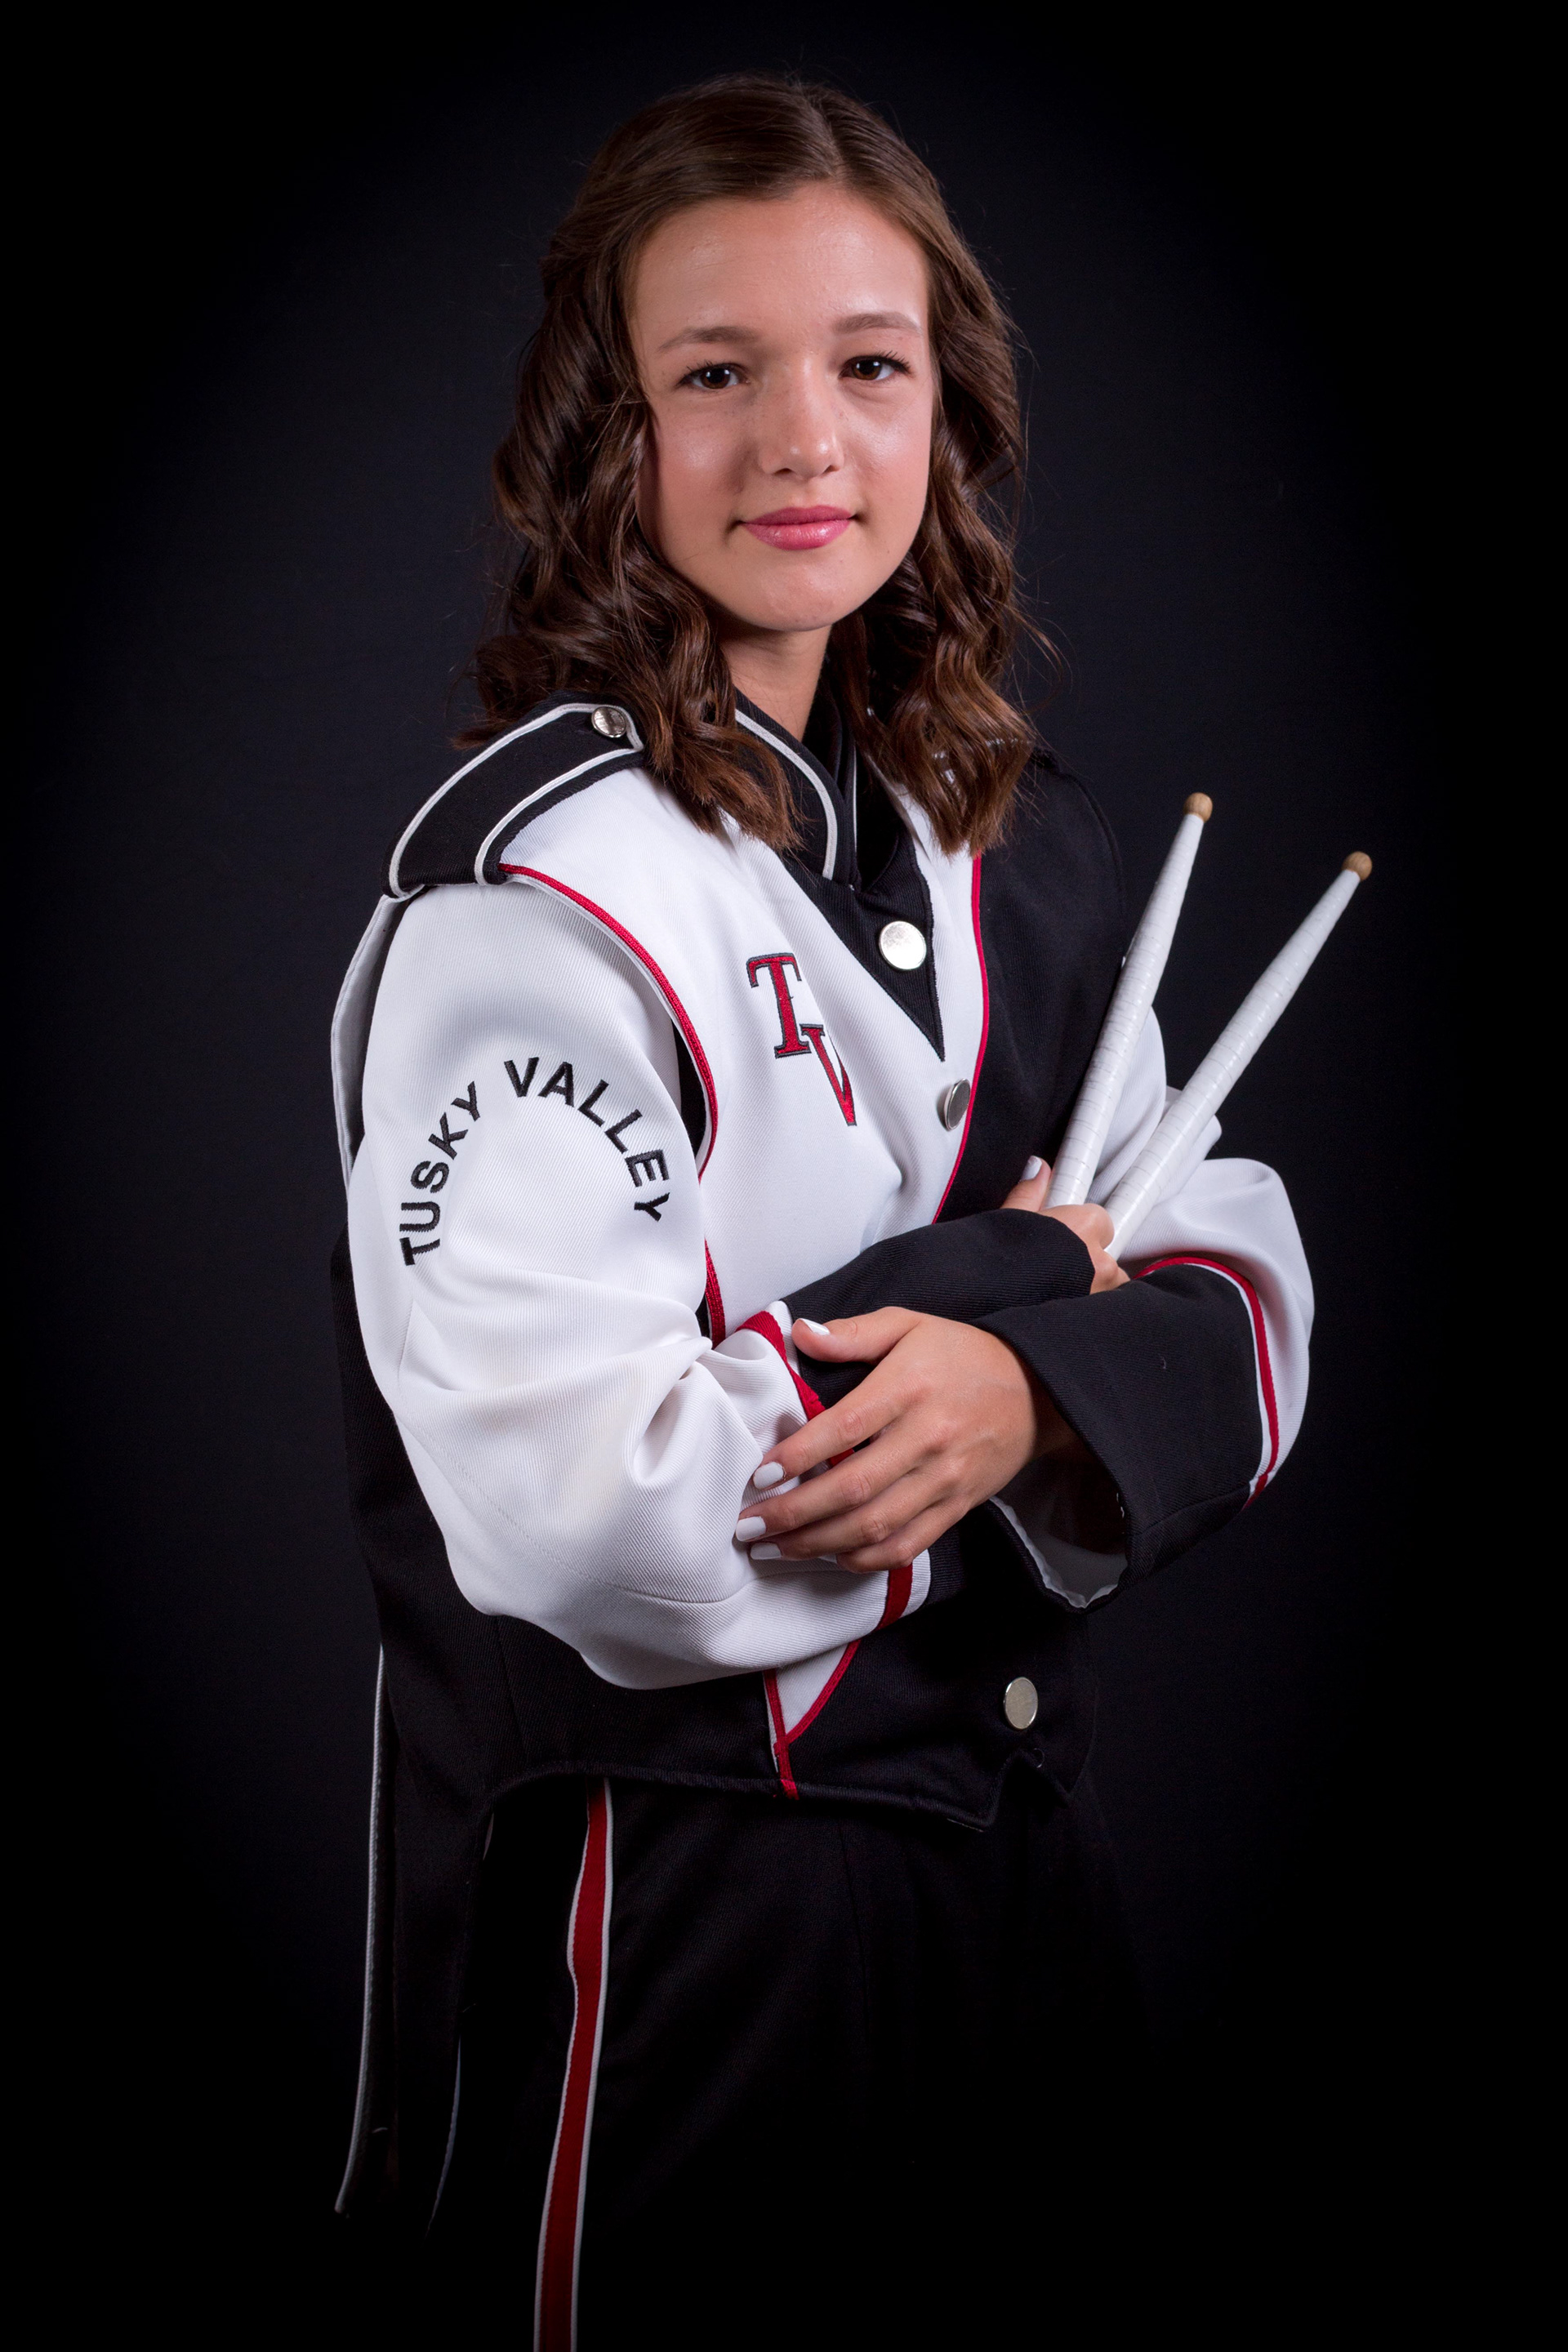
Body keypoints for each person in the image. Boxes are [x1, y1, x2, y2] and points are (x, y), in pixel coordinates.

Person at [329, 72, 1311, 2347]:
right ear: (609, 430)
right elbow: (613, 1524)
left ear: (943, 412)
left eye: (869, 364)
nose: (803, 440)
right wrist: (1027, 1300)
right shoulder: (534, 904)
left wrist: (1019, 1393)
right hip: (677, 1924)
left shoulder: (1016, 848)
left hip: (1018, 1875)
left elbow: (1249, 1280)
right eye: (714, 373)